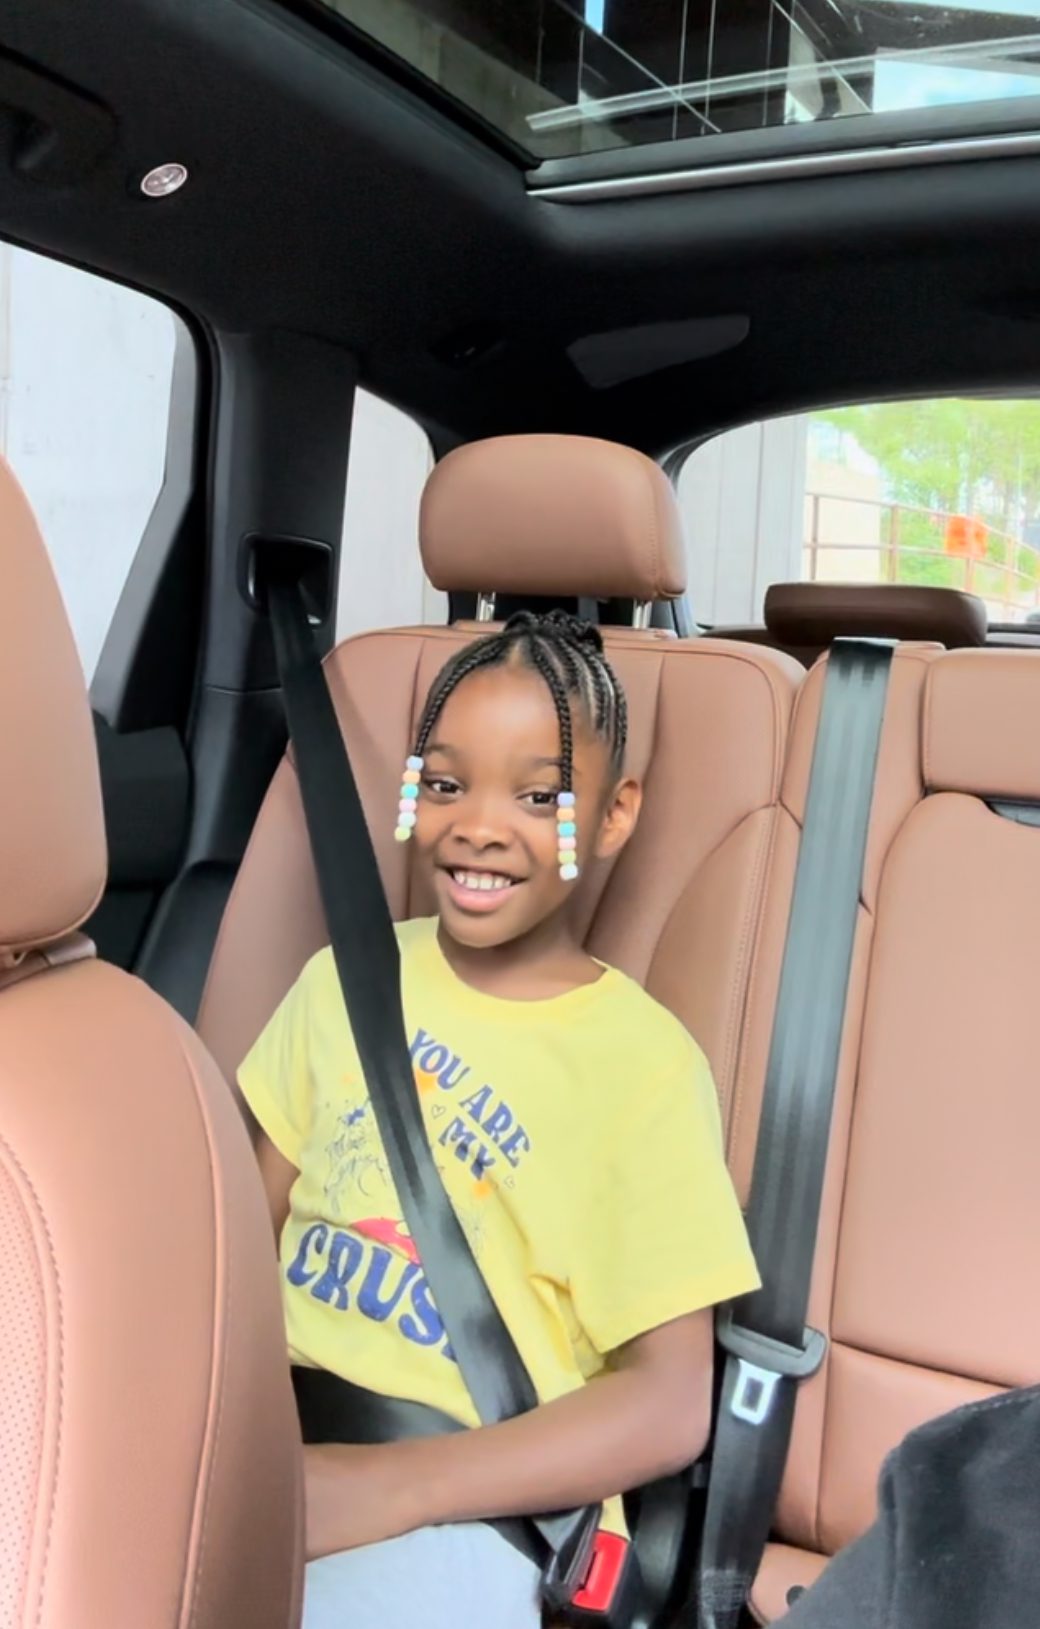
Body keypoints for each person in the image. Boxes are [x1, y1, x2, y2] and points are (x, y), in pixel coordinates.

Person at [238, 609, 759, 1629]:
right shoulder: (342, 983)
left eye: (536, 795)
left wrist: (397, 1487)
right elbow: (238, 1256)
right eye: (443, 783)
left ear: (613, 816)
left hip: (476, 1511)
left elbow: (664, 1403)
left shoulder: (641, 1068)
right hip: (272, 1451)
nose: (478, 823)